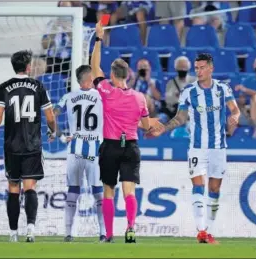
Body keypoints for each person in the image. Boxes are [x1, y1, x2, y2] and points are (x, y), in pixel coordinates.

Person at [147, 53, 240, 244]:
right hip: (197, 147)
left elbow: (235, 109)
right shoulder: (189, 91)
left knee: (214, 188)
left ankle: (210, 231)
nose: (198, 71)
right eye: (196, 68)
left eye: (202, 67)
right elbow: (181, 117)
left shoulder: (223, 89)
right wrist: (164, 128)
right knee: (198, 185)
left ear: (211, 68)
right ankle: (201, 230)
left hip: (218, 148)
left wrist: (236, 116)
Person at [0, 50, 57, 243]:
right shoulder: (38, 86)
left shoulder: (4, 87)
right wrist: (53, 131)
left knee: (13, 187)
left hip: (12, 145)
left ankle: (13, 233)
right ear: (28, 67)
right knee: (30, 186)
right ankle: (31, 230)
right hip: (32, 145)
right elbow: (50, 116)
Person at [91, 21, 153, 243]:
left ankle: (108, 234)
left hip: (110, 146)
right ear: (127, 75)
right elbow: (146, 127)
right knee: (129, 192)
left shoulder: (107, 90)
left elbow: (93, 66)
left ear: (113, 75)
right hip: (131, 146)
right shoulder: (139, 97)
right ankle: (130, 229)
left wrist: (99, 38)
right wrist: (134, 122)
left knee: (109, 191)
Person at [54, 65, 106, 242]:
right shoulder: (101, 96)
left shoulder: (67, 97)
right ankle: (104, 233)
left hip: (74, 148)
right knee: (98, 191)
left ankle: (68, 234)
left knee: (73, 190)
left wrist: (60, 136)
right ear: (89, 78)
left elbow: (51, 116)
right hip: (95, 148)